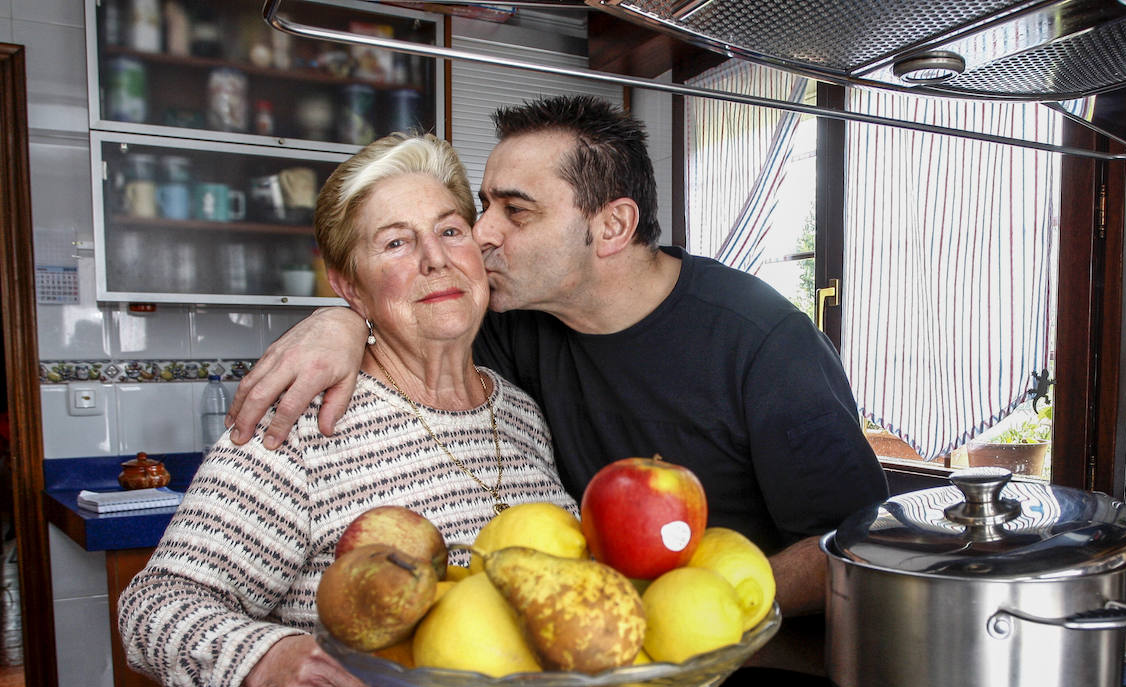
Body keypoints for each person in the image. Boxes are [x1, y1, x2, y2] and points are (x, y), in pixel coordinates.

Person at [226, 95, 888, 615]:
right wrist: (343, 320)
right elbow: (411, 311)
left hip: (751, 671)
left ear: (611, 227)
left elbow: (855, 544)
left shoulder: (764, 341)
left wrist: (698, 612)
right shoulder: (515, 324)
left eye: (515, 212)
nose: (479, 236)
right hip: (598, 683)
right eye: (482, 207)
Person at [118, 133, 575, 687]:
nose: (433, 259)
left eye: (450, 230)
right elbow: (153, 607)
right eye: (395, 242)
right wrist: (265, 658)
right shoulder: (302, 419)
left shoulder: (520, 411)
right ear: (347, 287)